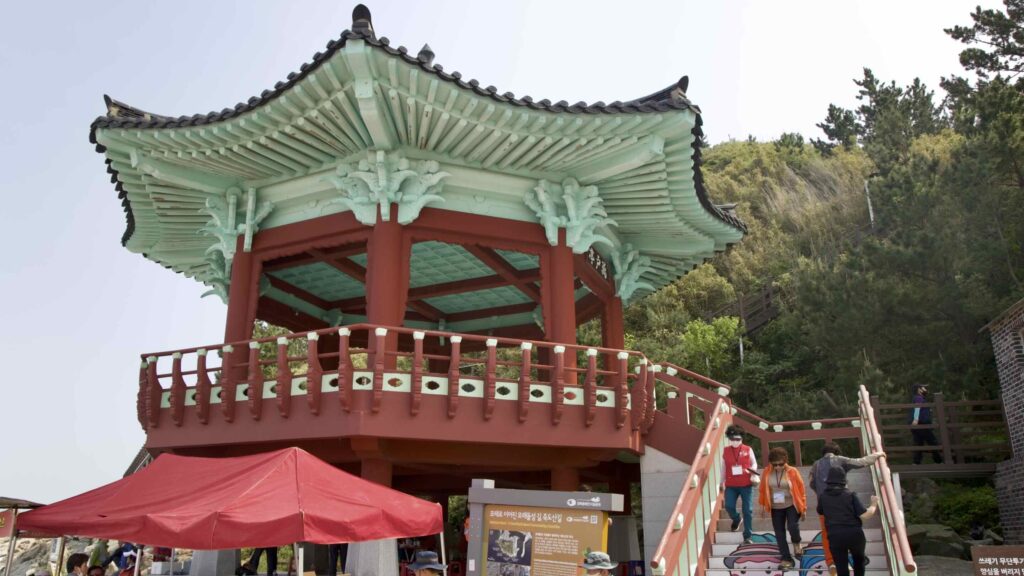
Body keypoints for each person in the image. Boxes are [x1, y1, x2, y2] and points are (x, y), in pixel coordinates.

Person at [808, 442, 885, 575]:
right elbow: (861, 462)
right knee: (858, 559)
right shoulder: (849, 492)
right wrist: (877, 454)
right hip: (852, 528)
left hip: (829, 515)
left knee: (827, 536)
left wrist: (821, 494)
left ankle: (831, 562)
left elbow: (811, 482)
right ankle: (859, 557)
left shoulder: (816, 464)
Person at [816, 467, 878, 576]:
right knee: (859, 562)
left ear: (828, 481)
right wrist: (873, 504)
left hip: (835, 536)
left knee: (841, 567)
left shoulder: (823, 497)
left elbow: (820, 511)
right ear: (844, 481)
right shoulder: (850, 495)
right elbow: (865, 515)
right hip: (854, 534)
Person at [758, 447, 806, 571]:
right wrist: (763, 506)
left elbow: (801, 490)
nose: (778, 467)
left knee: (792, 526)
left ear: (785, 461)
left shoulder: (793, 471)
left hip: (791, 504)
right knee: (779, 533)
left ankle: (797, 542)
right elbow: (763, 490)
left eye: (781, 464)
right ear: (771, 463)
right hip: (775, 506)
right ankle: (786, 558)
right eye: (775, 464)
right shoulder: (767, 472)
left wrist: (803, 507)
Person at [722, 425, 759, 544]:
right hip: (731, 484)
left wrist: (752, 470)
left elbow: (754, 463)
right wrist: (721, 482)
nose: (735, 441)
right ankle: (737, 519)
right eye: (733, 439)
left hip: (746, 484)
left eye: (738, 439)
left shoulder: (748, 449)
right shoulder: (726, 450)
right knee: (728, 506)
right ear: (729, 438)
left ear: (742, 439)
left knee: (747, 510)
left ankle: (747, 536)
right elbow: (723, 467)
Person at [909, 384, 943, 464]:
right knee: (932, 442)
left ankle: (916, 463)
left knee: (919, 443)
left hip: (920, 424)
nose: (925, 389)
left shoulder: (918, 398)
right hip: (922, 424)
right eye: (923, 388)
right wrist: (916, 419)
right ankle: (938, 461)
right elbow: (917, 407)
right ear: (919, 389)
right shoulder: (918, 398)